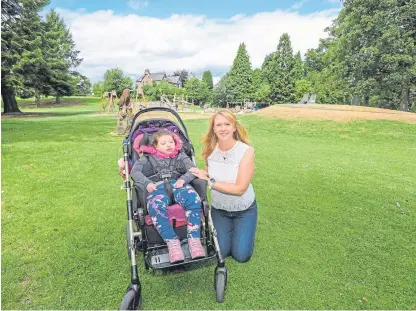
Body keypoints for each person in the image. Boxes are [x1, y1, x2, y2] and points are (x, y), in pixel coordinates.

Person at [190, 109, 257, 263]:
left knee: (241, 256)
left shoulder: (246, 151)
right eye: (218, 125)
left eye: (227, 124)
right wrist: (201, 173)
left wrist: (211, 182)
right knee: (221, 251)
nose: (223, 128)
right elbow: (209, 173)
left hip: (244, 210)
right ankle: (231, 231)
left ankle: (243, 229)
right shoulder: (210, 150)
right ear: (213, 129)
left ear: (234, 127)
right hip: (220, 209)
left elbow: (240, 189)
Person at [129, 130, 206, 263]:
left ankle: (194, 240)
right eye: (163, 143)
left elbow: (193, 169)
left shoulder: (181, 156)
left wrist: (183, 179)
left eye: (171, 142)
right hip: (156, 186)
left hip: (178, 184)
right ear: (155, 146)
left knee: (193, 199)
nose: (169, 145)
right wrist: (146, 183)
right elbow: (134, 172)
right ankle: (173, 243)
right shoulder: (145, 158)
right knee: (156, 205)